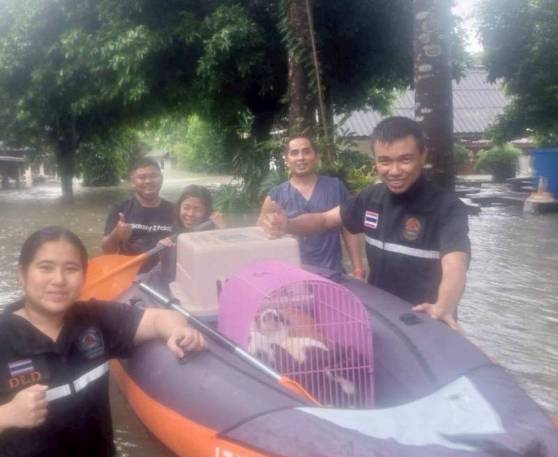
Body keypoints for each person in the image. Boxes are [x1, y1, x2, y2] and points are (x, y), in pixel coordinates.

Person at [0, 227, 206, 457]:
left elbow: (160, 318)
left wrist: (178, 332)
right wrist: (3, 415)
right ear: (21, 274)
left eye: (71, 269)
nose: (59, 280)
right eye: (45, 267)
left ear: (84, 276)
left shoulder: (95, 320)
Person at [261, 117, 470, 331]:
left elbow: (455, 265)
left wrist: (444, 305)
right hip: (381, 318)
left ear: (423, 155)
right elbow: (324, 219)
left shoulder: (448, 207)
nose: (395, 171)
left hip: (426, 321)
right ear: (375, 160)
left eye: (405, 159)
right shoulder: (371, 198)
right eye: (385, 161)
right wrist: (288, 224)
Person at [257, 135, 365, 278]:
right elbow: (261, 233)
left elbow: (349, 230)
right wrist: (271, 226)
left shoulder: (335, 187)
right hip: (292, 277)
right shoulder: (275, 196)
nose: (301, 158)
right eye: (294, 153)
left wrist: (358, 269)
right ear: (287, 160)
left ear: (316, 157)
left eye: (306, 151)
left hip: (332, 274)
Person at [101, 158, 175, 270]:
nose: (148, 181)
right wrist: (116, 235)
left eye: (153, 176)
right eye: (142, 177)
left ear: (161, 178)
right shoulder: (120, 209)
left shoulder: (175, 210)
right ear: (132, 182)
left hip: (163, 272)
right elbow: (107, 252)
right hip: (129, 273)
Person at [158, 185, 225, 282]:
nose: (190, 214)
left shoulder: (214, 232)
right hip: (173, 284)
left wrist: (222, 230)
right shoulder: (169, 227)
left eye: (197, 209)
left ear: (206, 212)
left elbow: (225, 263)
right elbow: (163, 270)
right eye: (186, 208)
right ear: (179, 207)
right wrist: (161, 251)